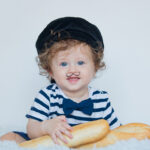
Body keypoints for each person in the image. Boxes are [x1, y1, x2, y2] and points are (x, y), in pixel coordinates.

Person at [0, 16, 121, 144]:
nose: (72, 70)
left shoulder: (101, 99)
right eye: (63, 64)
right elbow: (31, 128)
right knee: (9, 138)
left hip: (87, 144)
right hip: (52, 143)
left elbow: (117, 132)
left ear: (95, 67)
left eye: (80, 62)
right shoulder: (47, 95)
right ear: (50, 71)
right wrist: (46, 127)